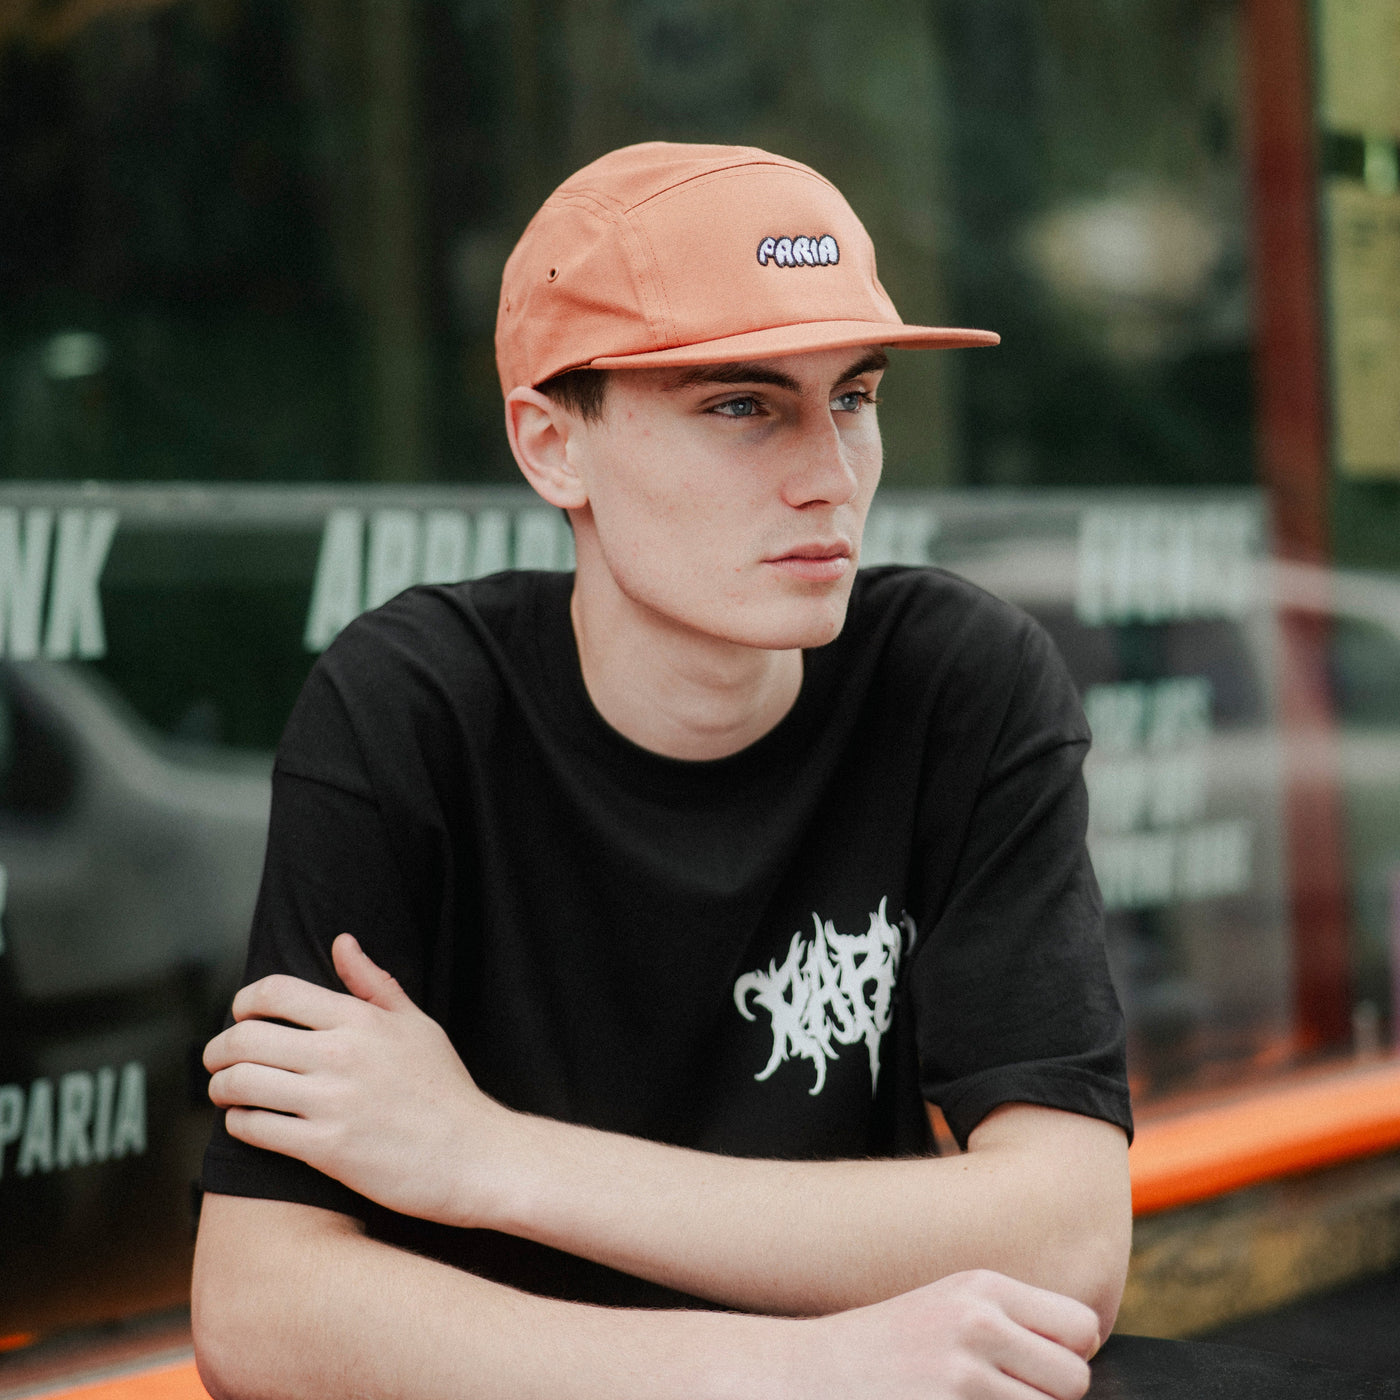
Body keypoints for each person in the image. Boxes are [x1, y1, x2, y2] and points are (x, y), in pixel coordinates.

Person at [193, 142, 1133, 1400]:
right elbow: (257, 1307)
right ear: (551, 445)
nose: (829, 476)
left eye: (853, 397)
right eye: (741, 405)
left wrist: (490, 1156)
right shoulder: (414, 708)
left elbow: (1067, 1239)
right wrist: (794, 1371)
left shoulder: (953, 684)